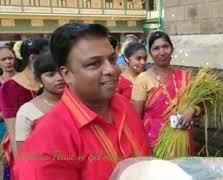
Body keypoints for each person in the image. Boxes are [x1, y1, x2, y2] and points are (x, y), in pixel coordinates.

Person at [13, 23, 151, 179]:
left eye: (112, 60)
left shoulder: (123, 105)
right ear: (67, 74)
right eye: (93, 64)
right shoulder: (47, 143)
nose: (112, 70)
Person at [131, 31, 200, 158]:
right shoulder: (142, 79)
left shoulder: (185, 76)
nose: (162, 52)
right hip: (155, 142)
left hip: (183, 139)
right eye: (156, 48)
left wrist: (192, 110)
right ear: (150, 53)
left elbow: (200, 105)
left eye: (165, 46)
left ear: (172, 49)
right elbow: (135, 119)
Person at [0, 38, 48, 166]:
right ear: (33, 58)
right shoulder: (10, 87)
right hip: (27, 150)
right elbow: (13, 131)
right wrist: (20, 166)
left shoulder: (49, 81)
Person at [15, 52, 65, 151]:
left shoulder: (82, 102)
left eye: (62, 72)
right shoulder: (27, 111)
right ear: (38, 79)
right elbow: (24, 155)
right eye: (51, 75)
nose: (60, 78)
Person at [0, 45, 17, 180]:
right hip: (2, 131)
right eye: (3, 59)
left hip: (23, 129)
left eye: (10, 58)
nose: (8, 62)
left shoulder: (25, 80)